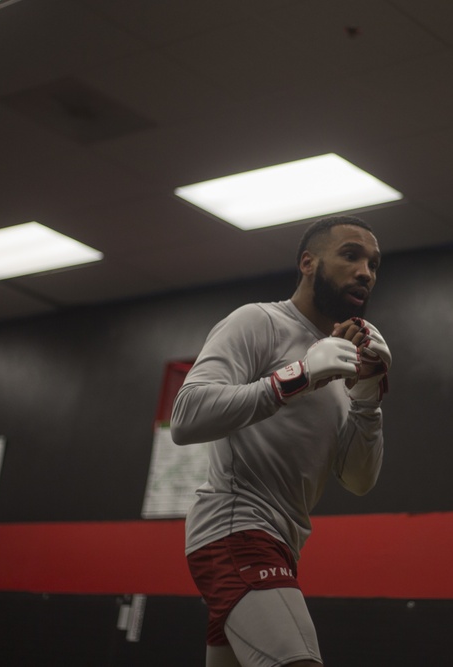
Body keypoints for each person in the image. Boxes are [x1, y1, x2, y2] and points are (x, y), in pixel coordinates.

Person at [170, 215, 391, 667]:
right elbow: (186, 416)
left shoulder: (340, 357)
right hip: (235, 531)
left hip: (284, 546)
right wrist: (296, 377)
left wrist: (367, 397)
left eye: (373, 263)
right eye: (351, 255)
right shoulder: (259, 321)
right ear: (308, 263)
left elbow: (358, 479)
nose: (365, 271)